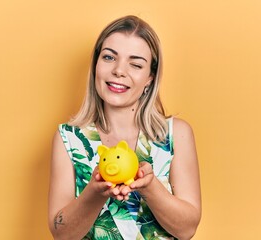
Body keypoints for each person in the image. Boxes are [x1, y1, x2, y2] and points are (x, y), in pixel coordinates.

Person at [48, 15, 201, 240]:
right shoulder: (69, 138)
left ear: (150, 77)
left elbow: (187, 229)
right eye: (109, 57)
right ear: (96, 65)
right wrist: (95, 192)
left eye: (136, 64)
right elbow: (61, 234)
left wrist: (149, 187)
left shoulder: (176, 134)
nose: (119, 71)